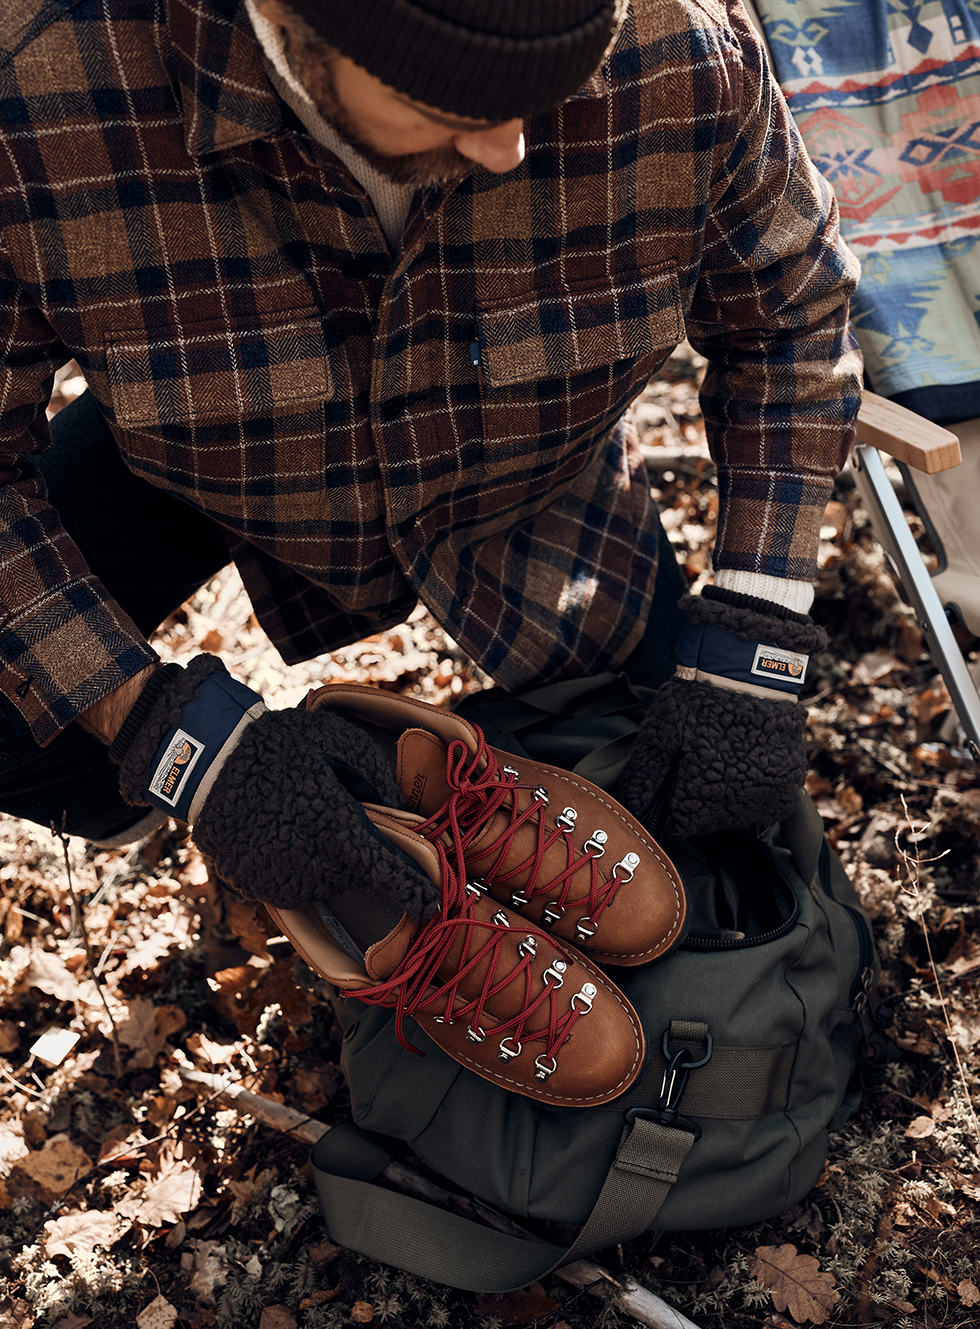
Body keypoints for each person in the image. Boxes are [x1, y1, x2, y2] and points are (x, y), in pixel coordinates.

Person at [0, 0, 862, 932]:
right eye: (453, 100)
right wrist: (174, 744)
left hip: (538, 486)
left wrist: (754, 647)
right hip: (214, 463)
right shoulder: (34, 81)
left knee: (693, 868)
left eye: (545, 90)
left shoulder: (679, 41)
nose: (507, 147)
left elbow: (791, 323)